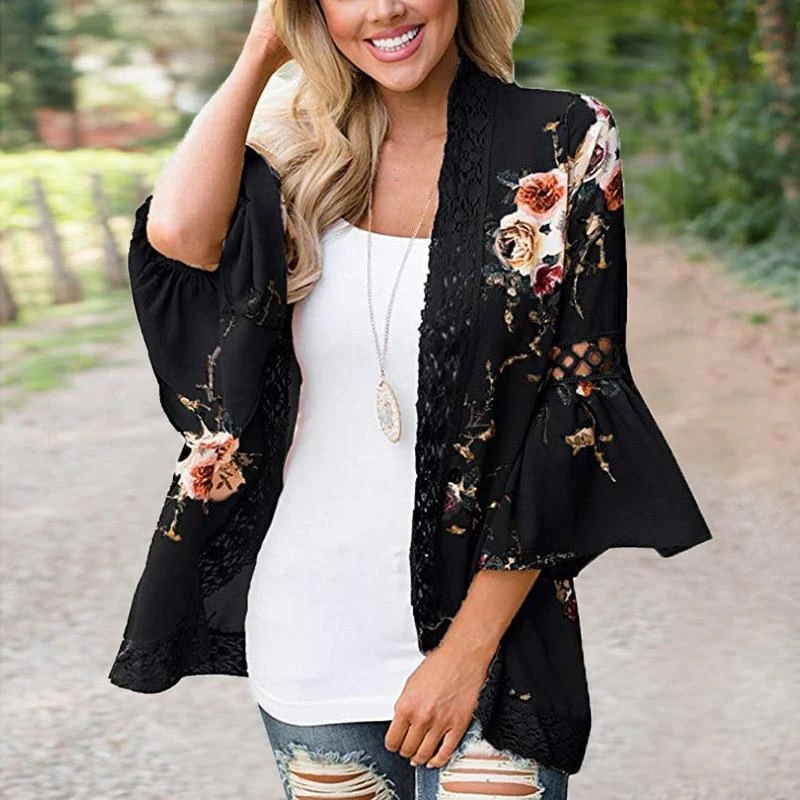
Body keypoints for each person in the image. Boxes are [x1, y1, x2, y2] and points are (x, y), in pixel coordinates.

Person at [108, 0, 713, 797]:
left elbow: (575, 403)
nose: (386, 7)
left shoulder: (561, 139)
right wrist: (261, 48)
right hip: (313, 634)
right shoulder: (293, 158)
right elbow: (181, 240)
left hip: (494, 647)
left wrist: (464, 656)